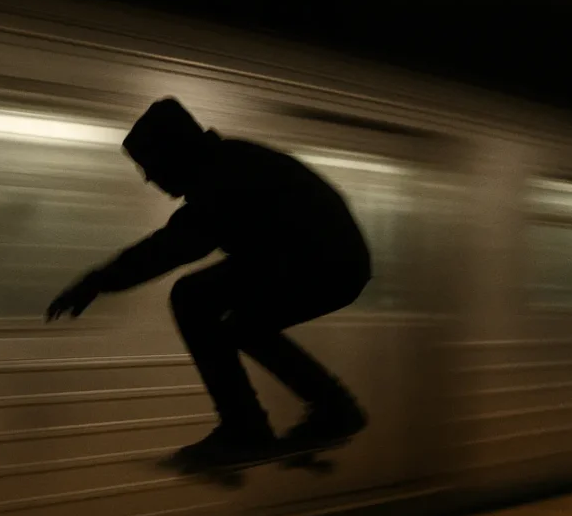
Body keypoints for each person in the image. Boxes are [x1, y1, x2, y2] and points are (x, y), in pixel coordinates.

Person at [45, 97, 371, 469]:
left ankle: (250, 428)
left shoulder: (225, 176)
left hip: (323, 260)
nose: (149, 178)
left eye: (149, 166)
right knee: (244, 326)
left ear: (173, 152)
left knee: (192, 297)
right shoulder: (225, 166)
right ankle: (328, 410)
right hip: (325, 259)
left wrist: (96, 281)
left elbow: (175, 245)